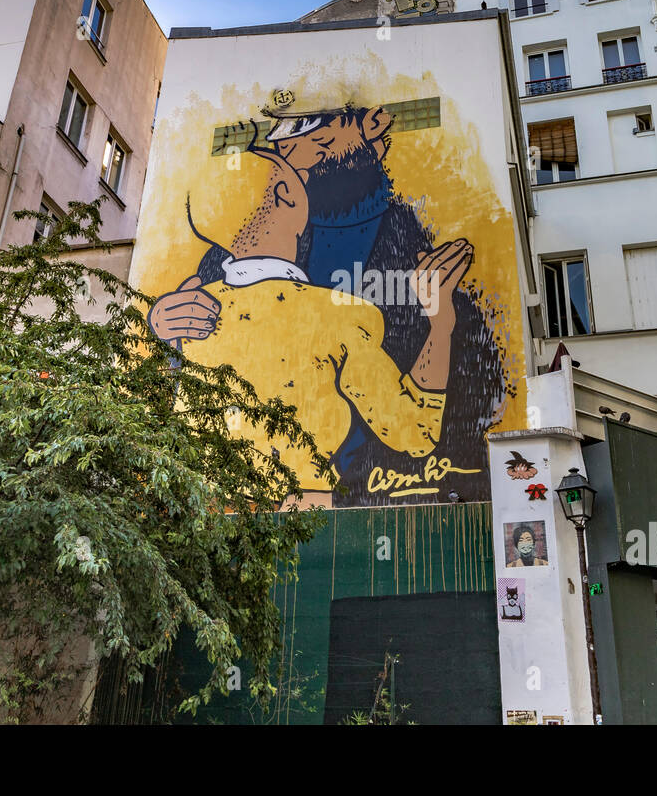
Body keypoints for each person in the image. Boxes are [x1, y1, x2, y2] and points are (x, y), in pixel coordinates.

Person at [153, 97, 505, 502]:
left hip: (374, 487)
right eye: (282, 144)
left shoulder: (405, 226)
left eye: (314, 136)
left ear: (371, 129)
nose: (293, 152)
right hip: (302, 503)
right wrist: (161, 324)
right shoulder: (233, 264)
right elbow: (416, 428)